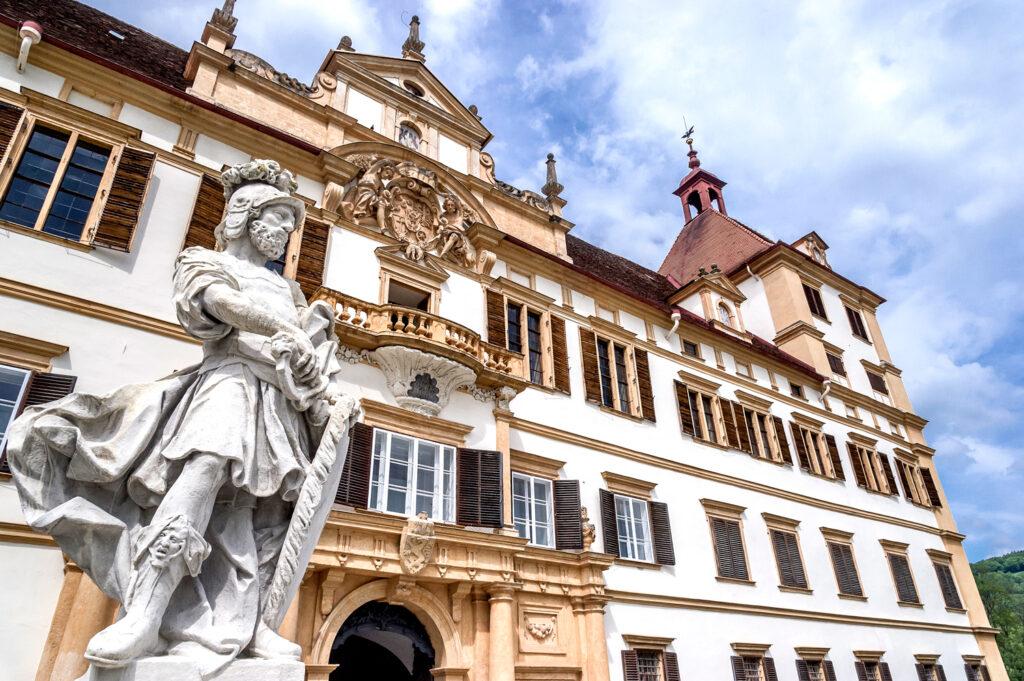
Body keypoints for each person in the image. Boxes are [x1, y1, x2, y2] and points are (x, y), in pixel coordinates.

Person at [7, 160, 343, 674]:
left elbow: (309, 353)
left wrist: (317, 377)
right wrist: (284, 330)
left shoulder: (290, 291)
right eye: (278, 220)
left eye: (291, 226)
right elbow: (218, 305)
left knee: (266, 514)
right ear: (244, 216)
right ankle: (146, 610)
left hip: (281, 404)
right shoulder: (203, 261)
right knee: (201, 474)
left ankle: (251, 624)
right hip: (229, 384)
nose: (286, 234)